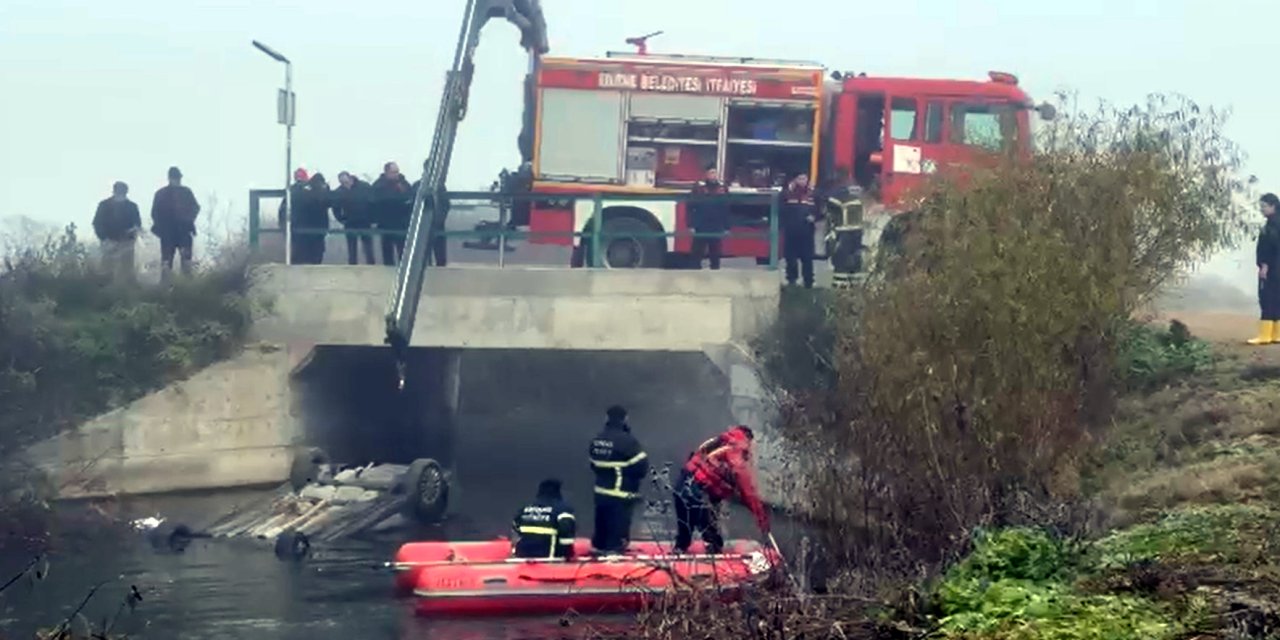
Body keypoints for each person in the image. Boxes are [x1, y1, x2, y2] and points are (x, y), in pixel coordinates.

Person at [672, 425, 770, 555]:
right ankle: (713, 551)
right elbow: (746, 487)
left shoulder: (722, 441)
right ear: (748, 439)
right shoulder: (737, 449)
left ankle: (680, 547)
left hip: (685, 481)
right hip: (702, 489)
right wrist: (760, 516)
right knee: (707, 524)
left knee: (686, 520)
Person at [587, 405, 649, 554]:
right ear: (625, 419)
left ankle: (599, 545)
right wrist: (628, 476)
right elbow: (642, 466)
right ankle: (614, 550)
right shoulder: (628, 441)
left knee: (601, 523)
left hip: (600, 491)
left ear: (606, 418)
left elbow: (593, 464)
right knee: (618, 529)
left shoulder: (597, 439)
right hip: (621, 492)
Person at [151, 166, 200, 282]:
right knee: (167, 262)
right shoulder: (163, 194)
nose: (177, 180)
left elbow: (195, 208)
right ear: (170, 178)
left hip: (182, 231)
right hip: (170, 232)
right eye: (175, 178)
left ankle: (185, 286)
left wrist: (188, 220)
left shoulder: (184, 192)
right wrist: (162, 227)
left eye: (177, 178)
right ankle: (167, 287)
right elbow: (155, 213)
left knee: (185, 262)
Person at [512, 478, 577, 560]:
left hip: (522, 556)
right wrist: (568, 555)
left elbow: (515, 528)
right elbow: (566, 531)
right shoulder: (563, 510)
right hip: (549, 558)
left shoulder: (525, 509)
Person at [93, 181, 142, 282]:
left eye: (122, 193)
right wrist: (104, 239)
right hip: (109, 242)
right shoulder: (104, 205)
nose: (120, 195)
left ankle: (126, 288)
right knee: (107, 270)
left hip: (126, 244)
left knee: (127, 270)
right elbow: (97, 223)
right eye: (119, 192)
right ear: (114, 191)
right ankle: (106, 287)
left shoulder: (132, 206)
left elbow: (137, 224)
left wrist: (131, 236)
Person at [1249, 193, 1280, 345]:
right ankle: (1276, 335)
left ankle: (1265, 335)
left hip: (1272, 269)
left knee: (1267, 298)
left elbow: (1269, 247)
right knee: (1277, 299)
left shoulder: (1272, 226)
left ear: (1273, 206)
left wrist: (1264, 265)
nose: (1261, 209)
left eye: (1264, 206)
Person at [781, 173, 820, 288]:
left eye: (804, 178)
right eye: (800, 178)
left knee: (807, 257)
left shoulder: (812, 194)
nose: (802, 181)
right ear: (795, 180)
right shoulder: (787, 194)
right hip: (791, 230)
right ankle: (792, 280)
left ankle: (808, 281)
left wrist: (814, 217)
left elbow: (820, 208)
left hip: (806, 231)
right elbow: (781, 208)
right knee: (790, 257)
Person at [372, 162, 413, 265]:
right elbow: (374, 203)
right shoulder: (378, 185)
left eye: (397, 172)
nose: (396, 174)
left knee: (403, 251)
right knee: (387, 251)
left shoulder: (404, 183)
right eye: (393, 172)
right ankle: (388, 270)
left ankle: (403, 269)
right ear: (386, 172)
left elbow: (411, 198)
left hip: (402, 223)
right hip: (386, 223)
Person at [690, 166, 730, 270]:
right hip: (701, 224)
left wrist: (727, 227)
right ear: (706, 174)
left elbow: (726, 208)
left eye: (715, 173)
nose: (714, 175)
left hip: (716, 225)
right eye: (711, 173)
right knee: (697, 252)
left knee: (715, 252)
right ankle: (695, 272)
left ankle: (714, 271)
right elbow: (690, 206)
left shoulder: (722, 188)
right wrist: (691, 225)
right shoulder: (698, 187)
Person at [332, 171, 376, 265]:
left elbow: (373, 202)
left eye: (346, 182)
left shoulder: (364, 187)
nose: (345, 185)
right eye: (342, 183)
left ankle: (371, 266)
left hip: (365, 221)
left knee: (368, 248)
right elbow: (336, 208)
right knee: (351, 248)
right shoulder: (339, 192)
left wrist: (372, 218)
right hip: (350, 223)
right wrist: (342, 219)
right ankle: (352, 267)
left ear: (350, 178)